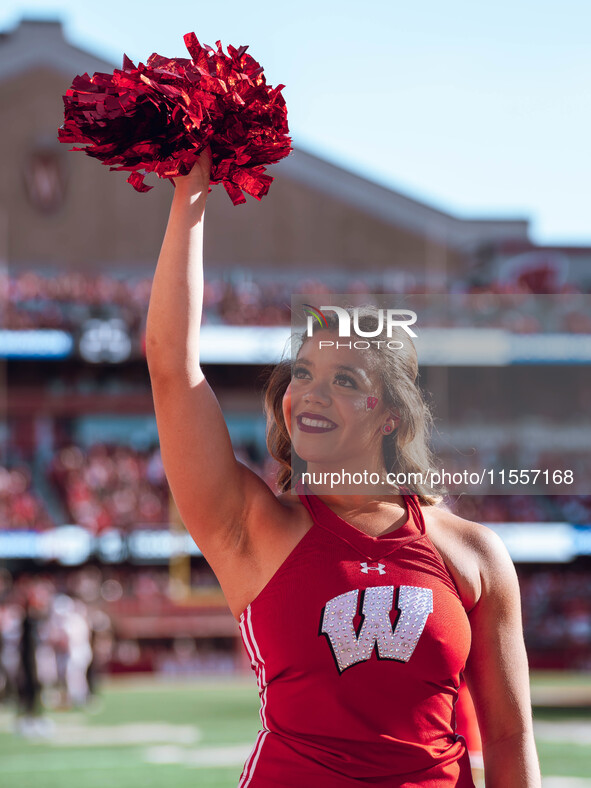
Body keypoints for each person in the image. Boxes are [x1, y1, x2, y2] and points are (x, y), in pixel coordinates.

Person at [146, 148, 542, 787]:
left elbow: (508, 733)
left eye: (343, 378)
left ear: (389, 416)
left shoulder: (473, 552)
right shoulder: (251, 526)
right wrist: (189, 195)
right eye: (302, 373)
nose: (311, 393)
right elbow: (172, 369)